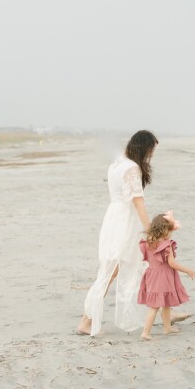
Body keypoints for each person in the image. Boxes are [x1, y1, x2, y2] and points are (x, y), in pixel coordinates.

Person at [78, 130, 158, 336]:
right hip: (126, 221)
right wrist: (151, 230)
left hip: (114, 217)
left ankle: (163, 309)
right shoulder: (131, 168)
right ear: (144, 147)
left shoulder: (117, 162)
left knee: (137, 266)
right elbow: (138, 204)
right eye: (151, 149)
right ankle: (86, 320)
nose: (152, 154)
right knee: (112, 271)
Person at [138, 212, 195, 340]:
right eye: (170, 231)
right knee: (155, 306)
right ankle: (145, 332)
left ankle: (167, 327)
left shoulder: (148, 242)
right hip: (163, 277)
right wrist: (188, 271)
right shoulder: (167, 244)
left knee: (165, 303)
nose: (171, 234)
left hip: (151, 274)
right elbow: (172, 263)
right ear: (165, 230)